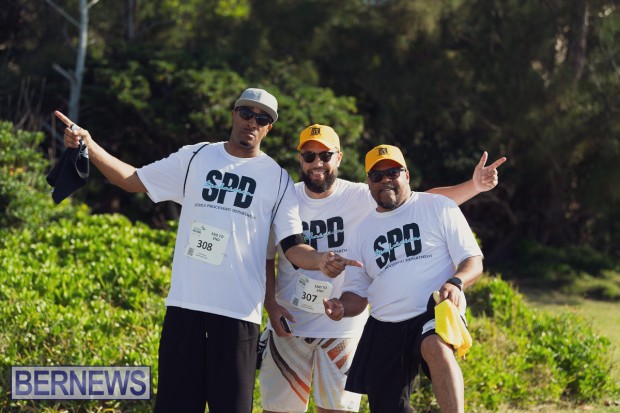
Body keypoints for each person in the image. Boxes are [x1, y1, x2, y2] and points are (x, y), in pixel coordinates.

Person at [54, 88, 361, 413]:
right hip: (185, 306)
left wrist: (320, 260)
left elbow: (293, 246)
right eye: (246, 113)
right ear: (234, 114)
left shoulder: (277, 179)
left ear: (268, 128)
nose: (252, 122)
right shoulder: (196, 157)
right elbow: (131, 179)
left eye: (262, 119)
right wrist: (89, 144)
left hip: (238, 314)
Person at [261, 125, 504, 413]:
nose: (317, 163)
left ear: (338, 157)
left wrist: (474, 186)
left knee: (430, 349)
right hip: (300, 322)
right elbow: (269, 255)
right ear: (299, 158)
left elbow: (424, 201)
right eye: (309, 155)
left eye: (325, 155)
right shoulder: (287, 198)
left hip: (353, 329)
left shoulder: (362, 195)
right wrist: (275, 305)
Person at [323, 144, 485, 413]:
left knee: (434, 346)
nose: (385, 180)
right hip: (384, 323)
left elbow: (473, 261)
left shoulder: (437, 206)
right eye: (377, 176)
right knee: (387, 406)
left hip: (432, 309)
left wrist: (456, 282)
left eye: (392, 173)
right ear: (368, 183)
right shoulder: (362, 232)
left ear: (406, 175)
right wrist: (340, 307)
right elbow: (357, 294)